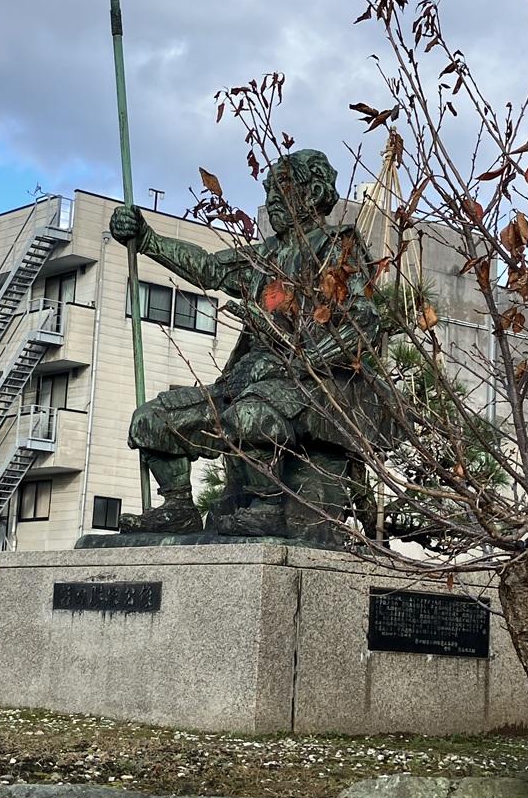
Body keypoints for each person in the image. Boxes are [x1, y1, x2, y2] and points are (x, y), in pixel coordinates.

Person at [109, 148, 385, 537]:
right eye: (269, 189)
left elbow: (365, 323)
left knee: (249, 418)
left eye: (282, 188)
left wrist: (299, 359)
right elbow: (209, 268)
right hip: (248, 380)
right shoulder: (264, 257)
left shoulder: (339, 249)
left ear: (314, 192)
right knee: (152, 420)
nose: (271, 199)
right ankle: (178, 506)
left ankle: (269, 507)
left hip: (314, 384)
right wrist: (147, 238)